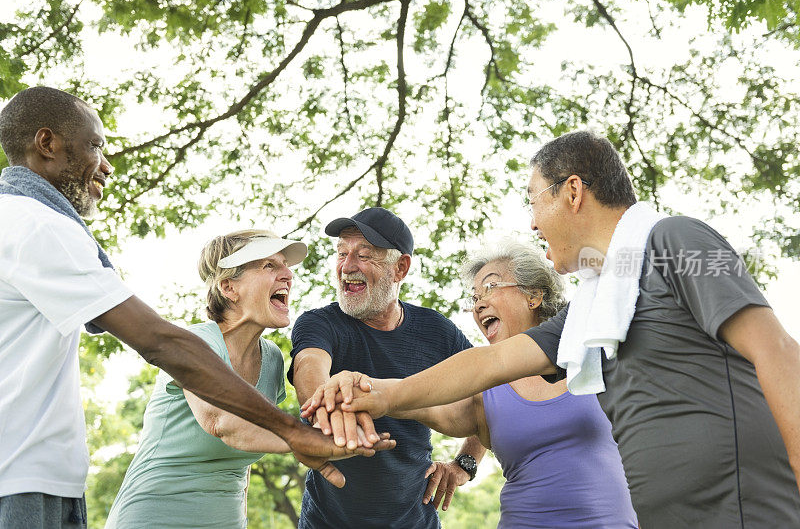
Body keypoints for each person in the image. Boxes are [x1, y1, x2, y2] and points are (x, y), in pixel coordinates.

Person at [305, 131, 800, 528]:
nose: (534, 224)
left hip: (741, 507)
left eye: (534, 202)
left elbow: (778, 351)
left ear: (573, 191)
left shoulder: (674, 239)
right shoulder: (593, 309)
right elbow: (492, 362)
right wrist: (377, 393)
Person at [0, 86, 390, 529]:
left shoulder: (273, 359)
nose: (107, 165)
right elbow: (161, 343)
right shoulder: (35, 224)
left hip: (44, 475)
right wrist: (297, 434)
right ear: (47, 144)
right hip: (22, 475)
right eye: (96, 145)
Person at [105, 229, 391, 528]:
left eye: (285, 266)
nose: (287, 276)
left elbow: (245, 454)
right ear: (229, 287)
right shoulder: (196, 343)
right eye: (269, 266)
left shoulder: (272, 359)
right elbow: (224, 424)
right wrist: (310, 441)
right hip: (153, 516)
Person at [361, 240, 638, 527]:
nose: (479, 304)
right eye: (474, 297)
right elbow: (418, 403)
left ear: (534, 296)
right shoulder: (484, 392)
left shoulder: (593, 354)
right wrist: (362, 389)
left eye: (491, 287)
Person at [289, 207, 482, 528]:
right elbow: (309, 366)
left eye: (363, 255)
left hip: (415, 520)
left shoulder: (437, 330)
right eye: (341, 253)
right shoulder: (319, 322)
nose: (347, 266)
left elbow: (487, 395)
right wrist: (326, 408)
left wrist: (465, 464)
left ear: (400, 268)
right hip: (328, 521)